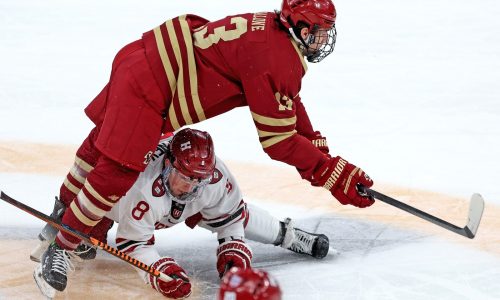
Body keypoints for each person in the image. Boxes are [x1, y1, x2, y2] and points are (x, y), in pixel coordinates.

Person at [35, 0, 374, 294]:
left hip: (143, 57)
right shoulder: (279, 55)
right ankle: (61, 244)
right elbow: (278, 141)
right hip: (150, 86)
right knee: (118, 171)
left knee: (102, 143)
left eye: (326, 32)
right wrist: (331, 172)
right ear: (297, 26)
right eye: (317, 32)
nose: (323, 40)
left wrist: (322, 154)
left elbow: (286, 98)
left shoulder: (270, 29)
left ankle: (61, 212)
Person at [33, 129, 330, 298]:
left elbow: (233, 218)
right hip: (111, 203)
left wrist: (234, 254)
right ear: (168, 164)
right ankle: (62, 239)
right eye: (185, 177)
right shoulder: (143, 188)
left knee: (234, 213)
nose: (191, 186)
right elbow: (133, 242)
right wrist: (160, 271)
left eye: (199, 179)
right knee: (86, 243)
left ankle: (288, 234)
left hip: (160, 203)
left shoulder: (209, 179)